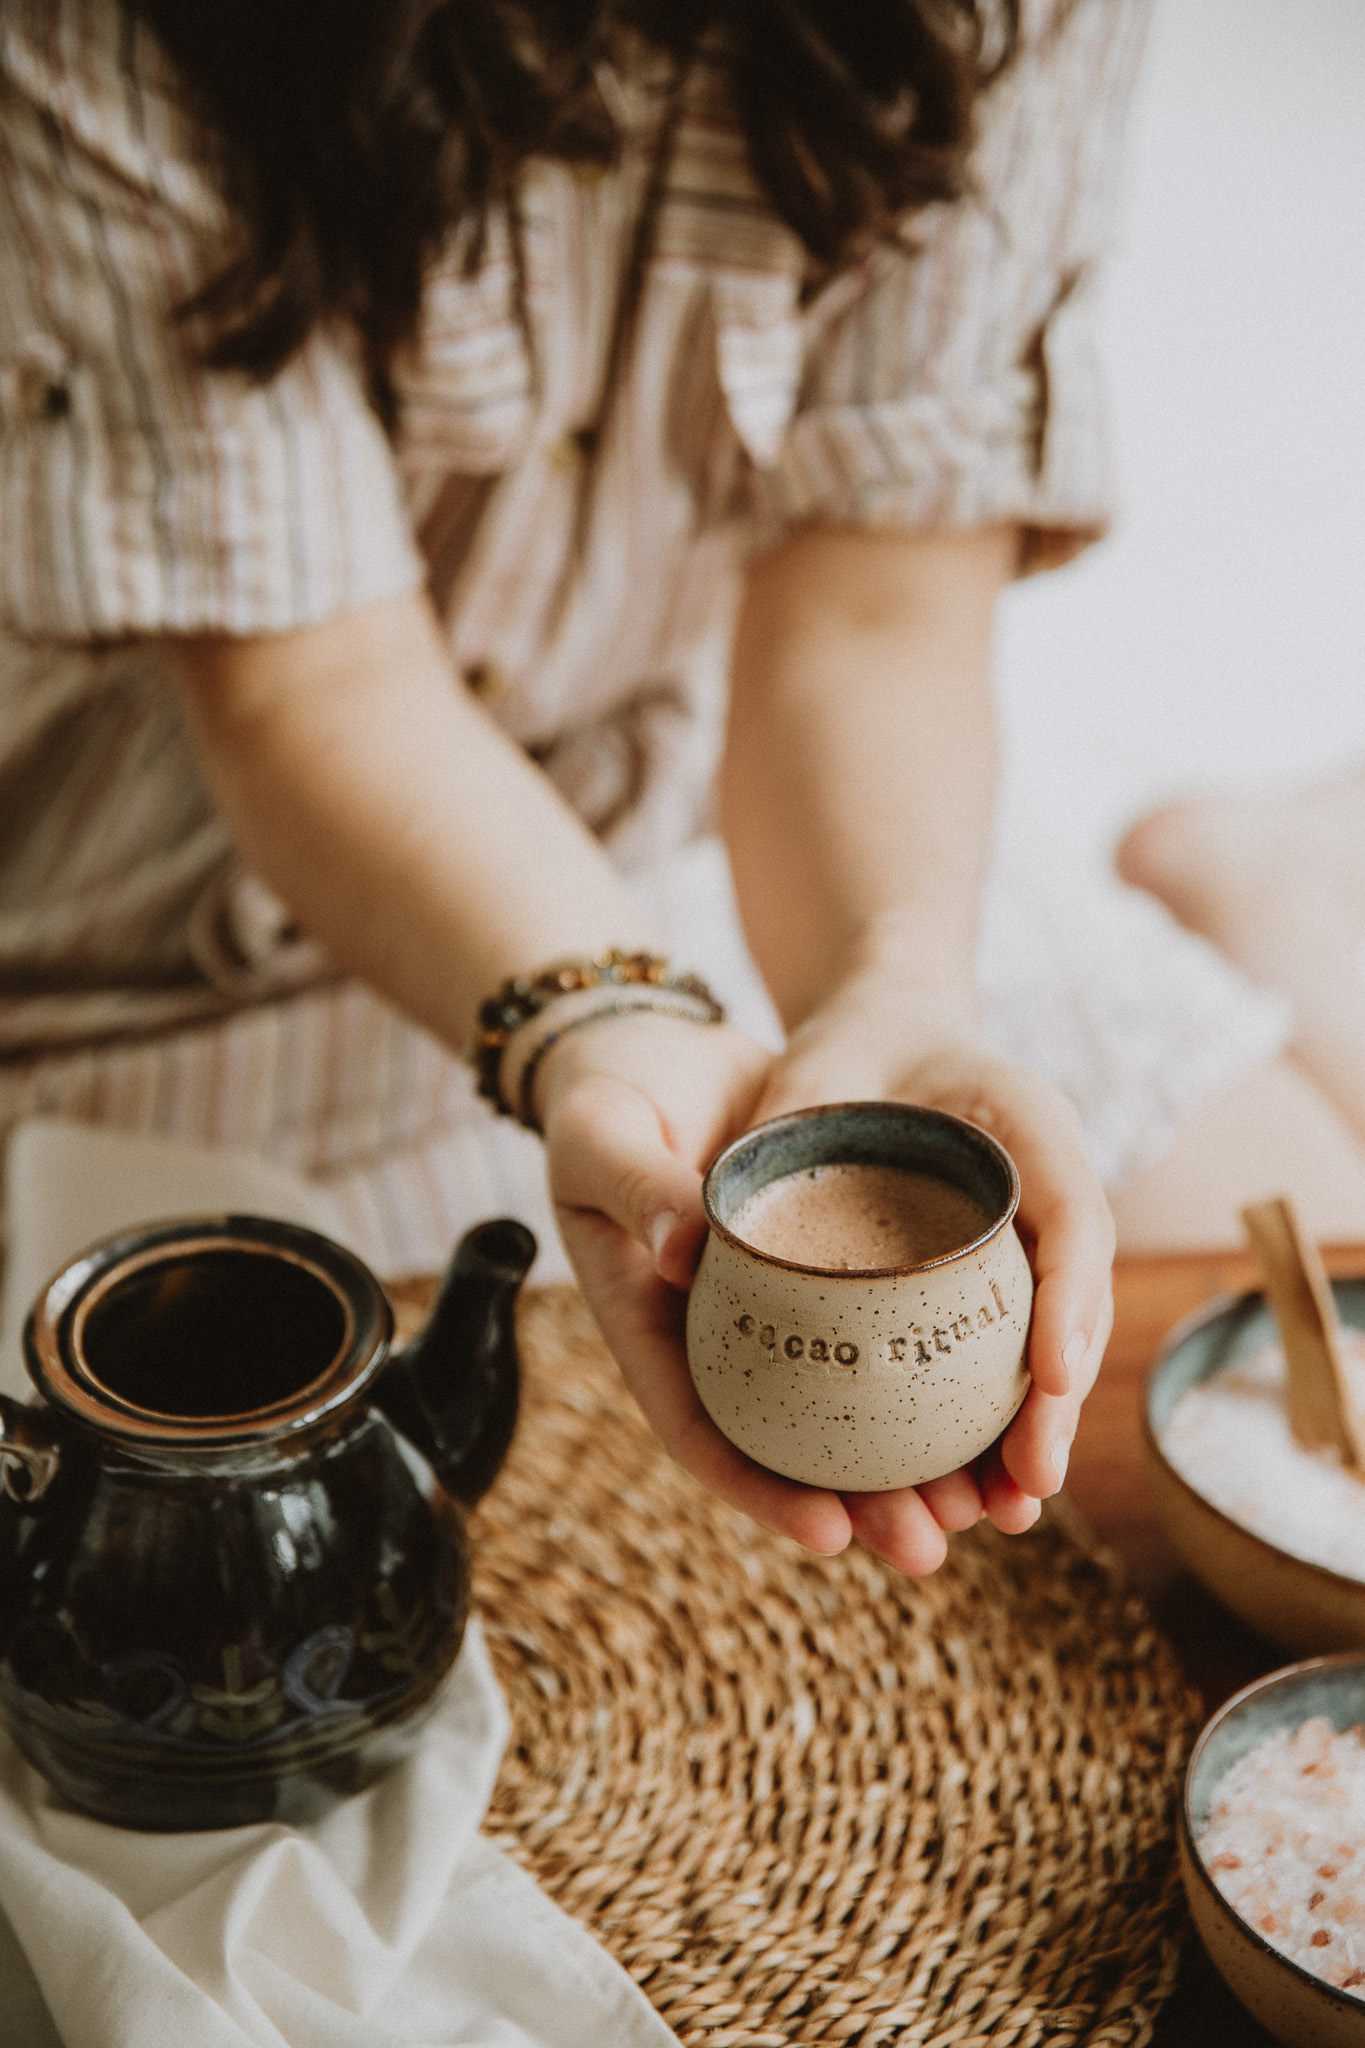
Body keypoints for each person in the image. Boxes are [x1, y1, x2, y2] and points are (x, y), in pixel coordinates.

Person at [0, 0, 1166, 1579]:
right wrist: (605, 1027)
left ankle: (1216, 857)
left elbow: (870, 609)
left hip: (693, 837)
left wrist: (892, 982)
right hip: (169, 918)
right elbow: (310, 683)